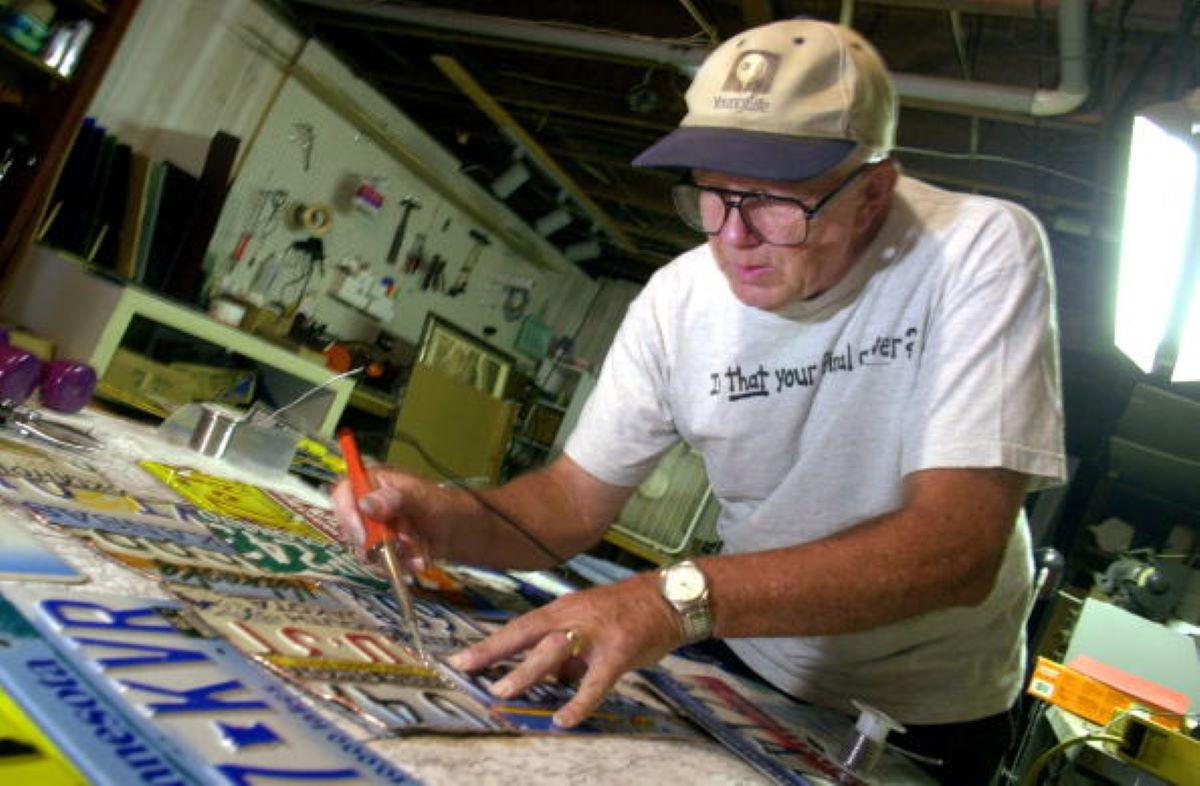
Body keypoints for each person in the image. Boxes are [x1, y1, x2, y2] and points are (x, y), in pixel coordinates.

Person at [333, 18, 1065, 785]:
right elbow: (569, 505)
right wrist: (442, 515)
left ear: (873, 192)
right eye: (712, 194)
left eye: (778, 202)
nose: (733, 239)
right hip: (744, 653)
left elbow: (956, 550)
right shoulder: (678, 300)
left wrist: (670, 600)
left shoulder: (976, 251)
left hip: (924, 709)